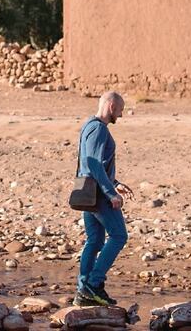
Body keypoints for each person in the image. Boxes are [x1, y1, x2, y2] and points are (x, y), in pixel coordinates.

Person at [73, 91, 135, 307]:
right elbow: (93, 163)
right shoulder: (99, 129)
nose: (121, 114)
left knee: (95, 240)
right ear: (111, 107)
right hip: (98, 195)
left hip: (88, 192)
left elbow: (92, 164)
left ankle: (83, 290)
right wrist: (111, 193)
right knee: (119, 236)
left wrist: (115, 182)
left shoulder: (89, 126)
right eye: (120, 109)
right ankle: (94, 283)